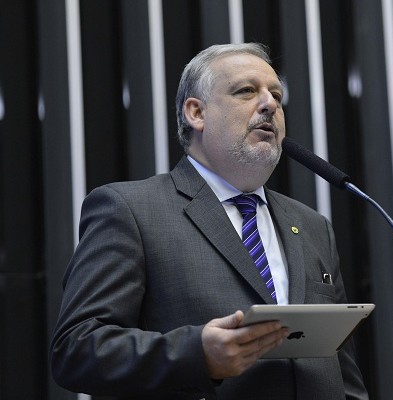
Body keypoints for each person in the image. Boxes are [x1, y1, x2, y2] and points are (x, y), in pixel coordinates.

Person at [49, 42, 369, 400]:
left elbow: (343, 373)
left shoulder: (312, 225)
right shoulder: (130, 210)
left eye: (276, 95)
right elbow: (76, 349)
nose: (270, 104)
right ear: (196, 113)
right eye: (246, 91)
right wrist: (197, 355)